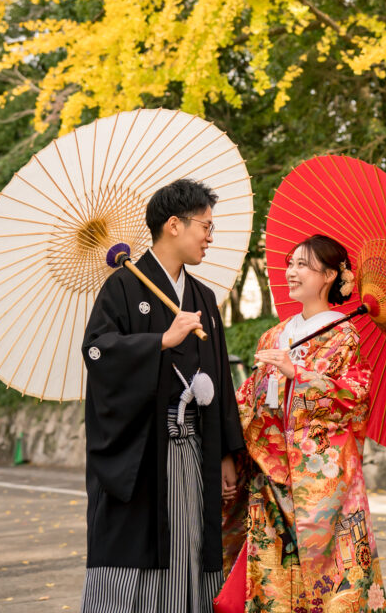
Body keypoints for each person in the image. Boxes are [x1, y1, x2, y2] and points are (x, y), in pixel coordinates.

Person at [80, 178, 244, 613]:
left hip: (197, 446)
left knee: (192, 540)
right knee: (146, 545)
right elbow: (98, 352)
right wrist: (160, 343)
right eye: (204, 227)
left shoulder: (203, 299)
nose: (210, 237)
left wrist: (228, 451)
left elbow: (220, 378)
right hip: (145, 448)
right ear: (174, 224)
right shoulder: (122, 287)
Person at [225, 234, 386, 613]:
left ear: (330, 275)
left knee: (334, 586)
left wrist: (296, 372)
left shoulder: (343, 335)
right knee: (274, 586)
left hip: (324, 486)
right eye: (290, 263)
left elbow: (353, 397)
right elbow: (250, 401)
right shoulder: (274, 335)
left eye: (303, 265)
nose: (291, 272)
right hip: (270, 481)